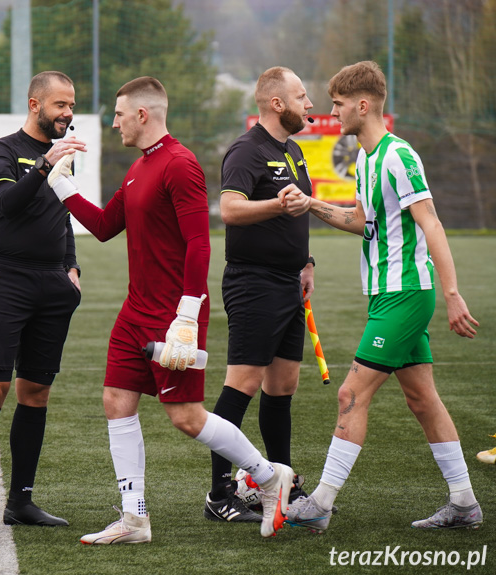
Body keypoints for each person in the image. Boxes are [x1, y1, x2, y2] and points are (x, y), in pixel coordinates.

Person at [45, 76, 295, 542]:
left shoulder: (180, 164)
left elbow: (200, 243)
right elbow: (103, 227)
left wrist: (186, 313)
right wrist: (62, 188)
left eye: (119, 114)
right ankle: (134, 518)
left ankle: (267, 477)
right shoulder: (139, 167)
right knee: (116, 401)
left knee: (187, 418)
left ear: (143, 115)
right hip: (135, 310)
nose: (114, 122)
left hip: (174, 314)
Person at [283, 61, 483, 532]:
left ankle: (321, 504)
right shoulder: (367, 159)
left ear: (363, 104)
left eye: (338, 104)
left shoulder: (398, 155)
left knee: (351, 393)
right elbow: (361, 222)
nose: (332, 112)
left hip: (406, 293)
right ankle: (464, 504)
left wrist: (451, 294)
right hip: (385, 295)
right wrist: (312, 204)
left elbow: (430, 222)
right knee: (422, 399)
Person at [0, 71, 87, 534]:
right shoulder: (2, 151)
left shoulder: (62, 155)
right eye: (59, 106)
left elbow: (63, 214)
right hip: (2, 278)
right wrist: (45, 165)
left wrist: (72, 269)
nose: (68, 114)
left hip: (52, 285)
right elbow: (9, 204)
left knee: (36, 392)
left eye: (71, 105)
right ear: (35, 105)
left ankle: (21, 501)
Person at [205, 66, 315, 524]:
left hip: (290, 282)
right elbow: (229, 209)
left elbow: (298, 214)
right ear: (277, 103)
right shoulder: (246, 150)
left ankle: (279, 481)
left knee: (282, 385)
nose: (309, 105)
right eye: (302, 95)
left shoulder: (294, 151)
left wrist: (307, 264)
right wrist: (277, 204)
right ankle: (218, 494)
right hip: (254, 283)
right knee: (242, 384)